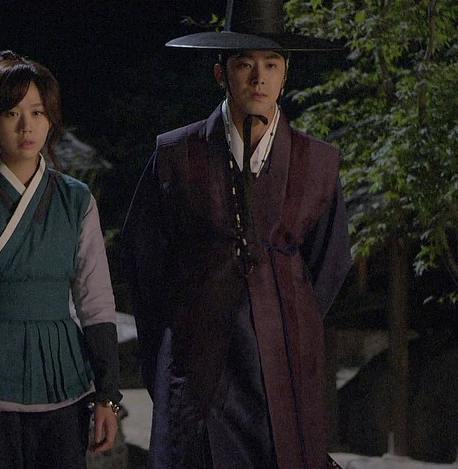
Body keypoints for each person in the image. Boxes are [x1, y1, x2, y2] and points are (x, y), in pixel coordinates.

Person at [121, 1, 352, 468]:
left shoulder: (316, 162)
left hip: (283, 359)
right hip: (198, 360)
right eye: (245, 64)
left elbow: (329, 263)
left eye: (271, 65)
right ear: (220, 73)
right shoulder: (177, 154)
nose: (258, 78)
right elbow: (145, 263)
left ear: (285, 75)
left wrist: (287, 311)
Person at [0, 47, 120, 469]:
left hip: (63, 383)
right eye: (12, 113)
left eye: (37, 112)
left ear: (51, 119)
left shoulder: (76, 199)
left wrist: (107, 395)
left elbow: (96, 301)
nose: (27, 126)